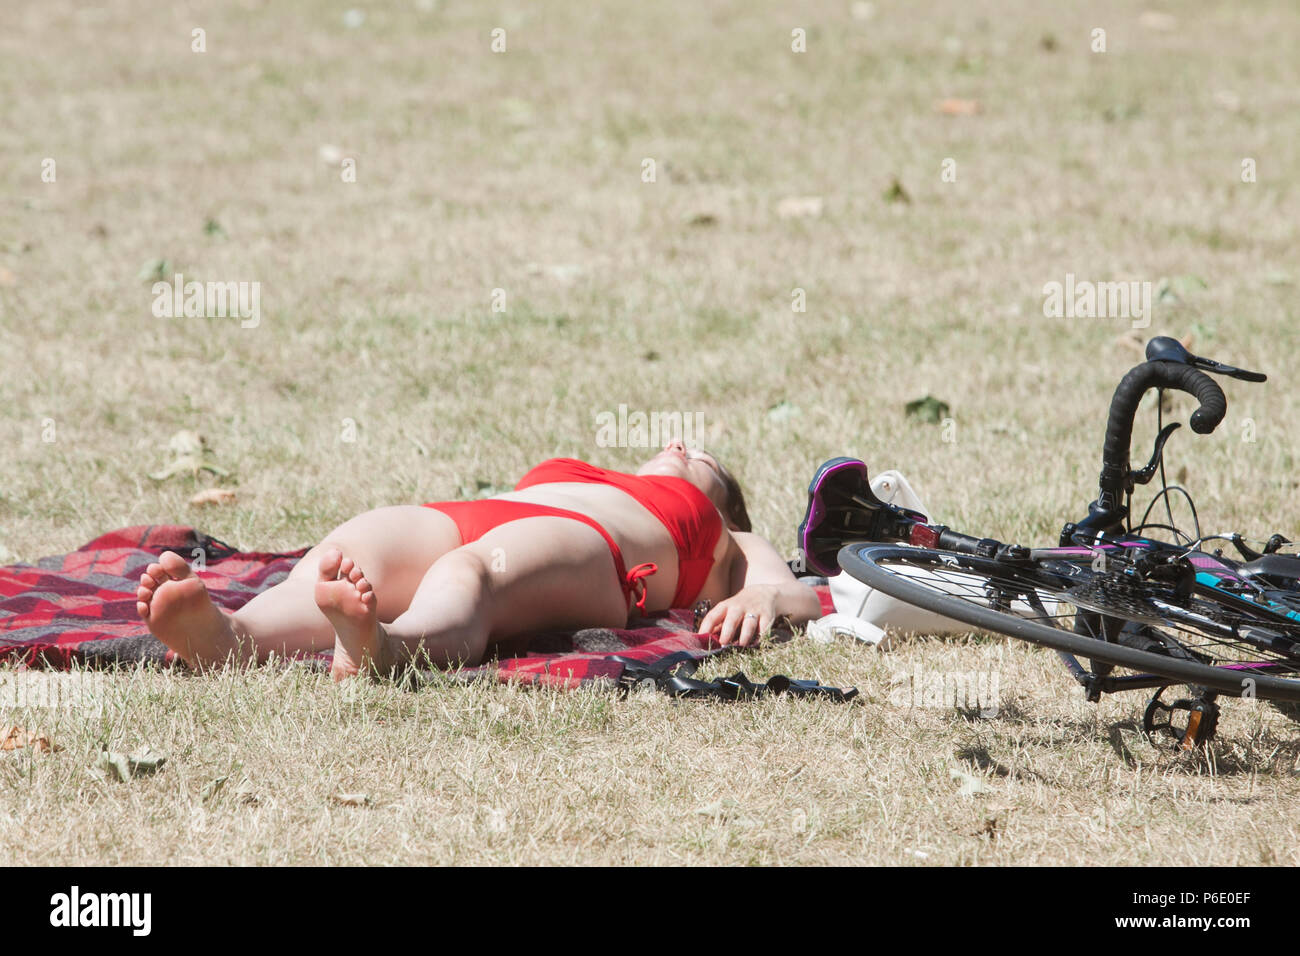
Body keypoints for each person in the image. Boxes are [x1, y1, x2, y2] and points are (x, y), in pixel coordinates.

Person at [135, 440, 823, 680]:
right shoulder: (593, 471)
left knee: (470, 577)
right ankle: (232, 637)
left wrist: (761, 597)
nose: (678, 445)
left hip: (595, 551)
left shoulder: (724, 537)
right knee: (348, 551)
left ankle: (387, 647)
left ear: (724, 503)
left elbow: (790, 590)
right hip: (475, 514)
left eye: (699, 457)